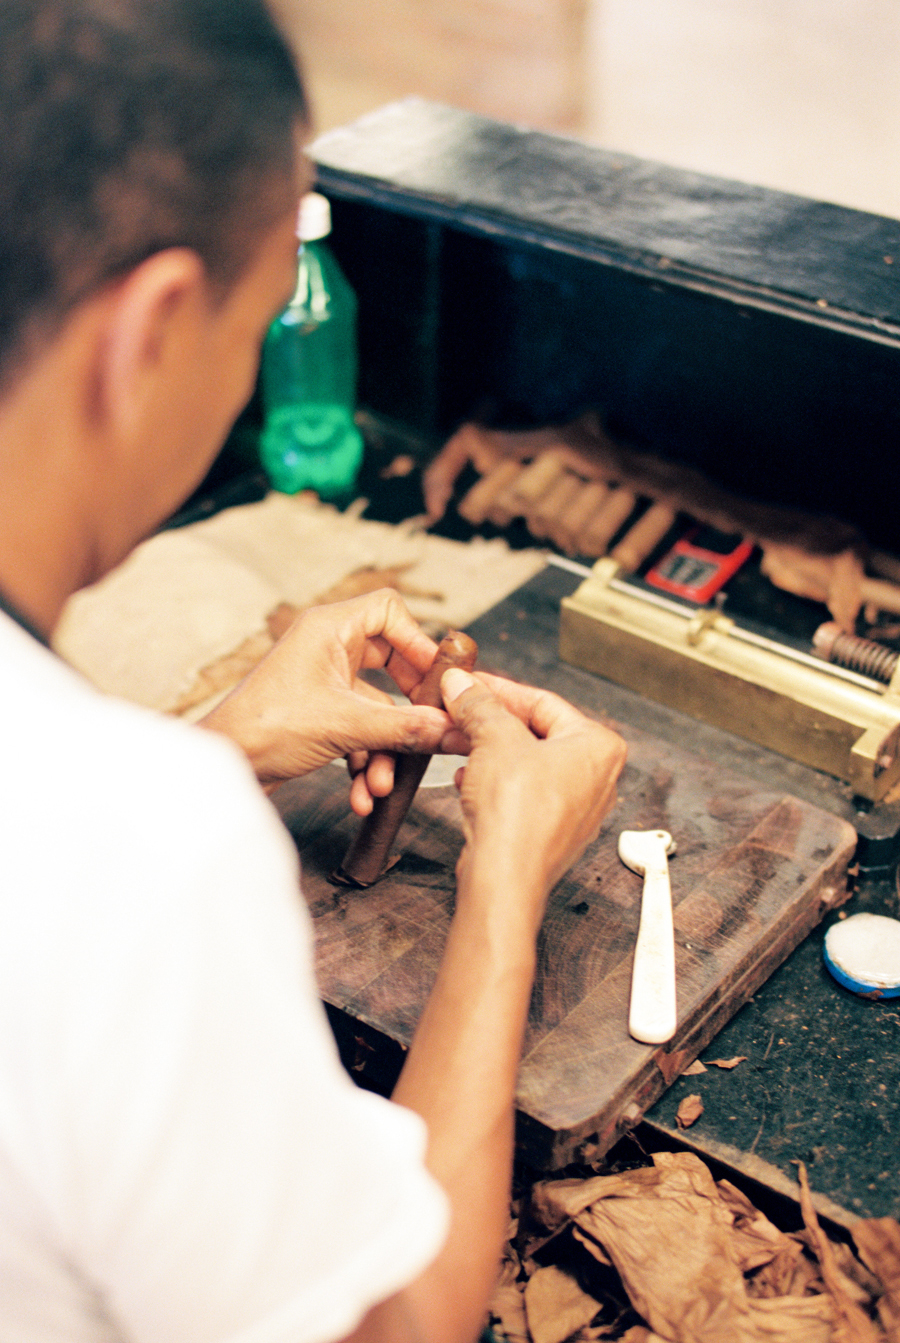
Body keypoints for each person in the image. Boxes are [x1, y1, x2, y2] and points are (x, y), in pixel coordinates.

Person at [0, 3, 628, 1341]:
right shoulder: (145, 855)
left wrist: (221, 739)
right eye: (254, 327)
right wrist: (504, 885)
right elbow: (398, 1325)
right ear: (155, 327)